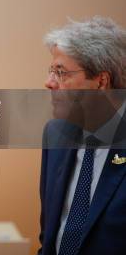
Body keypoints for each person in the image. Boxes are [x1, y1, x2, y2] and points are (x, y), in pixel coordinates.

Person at [39, 16, 126, 255]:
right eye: (51, 71)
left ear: (101, 81)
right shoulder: (55, 134)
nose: (49, 83)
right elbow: (48, 236)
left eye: (61, 73)